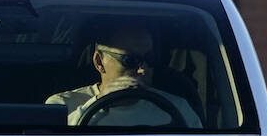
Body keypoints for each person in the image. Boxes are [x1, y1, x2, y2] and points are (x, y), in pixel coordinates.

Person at [46, 23, 202, 128]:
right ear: (99, 62)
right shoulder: (62, 107)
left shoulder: (178, 108)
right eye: (130, 60)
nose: (142, 70)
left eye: (149, 59)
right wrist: (98, 103)